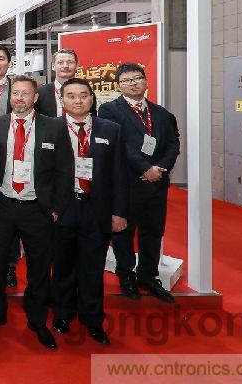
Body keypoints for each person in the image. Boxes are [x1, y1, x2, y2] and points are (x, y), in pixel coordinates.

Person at [0, 75, 73, 350]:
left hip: (38, 209)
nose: (19, 98)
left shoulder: (54, 127)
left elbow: (64, 170)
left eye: (25, 93)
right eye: (15, 93)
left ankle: (37, 320)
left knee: (39, 268)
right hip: (2, 207)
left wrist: (56, 207)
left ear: (35, 98)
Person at [51, 78, 127, 346]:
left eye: (83, 95)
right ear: (62, 99)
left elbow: (120, 174)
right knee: (62, 266)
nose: (78, 100)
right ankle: (62, 314)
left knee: (93, 268)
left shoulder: (111, 130)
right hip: (62, 209)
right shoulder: (51, 128)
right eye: (71, 96)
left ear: (92, 99)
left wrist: (119, 212)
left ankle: (93, 319)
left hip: (97, 209)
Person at [98, 63, 180, 304]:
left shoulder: (161, 113)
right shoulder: (109, 110)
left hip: (156, 185)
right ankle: (126, 276)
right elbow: (118, 144)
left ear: (145, 81)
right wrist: (145, 168)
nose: (133, 83)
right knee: (123, 233)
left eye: (137, 78)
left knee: (153, 232)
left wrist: (160, 168)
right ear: (118, 85)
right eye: (126, 80)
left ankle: (148, 276)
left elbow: (173, 144)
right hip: (127, 183)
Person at [36, 49, 97, 117]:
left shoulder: (87, 93)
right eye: (60, 62)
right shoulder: (40, 93)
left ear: (77, 66)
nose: (65, 66)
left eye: (70, 62)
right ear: (53, 66)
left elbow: (92, 119)